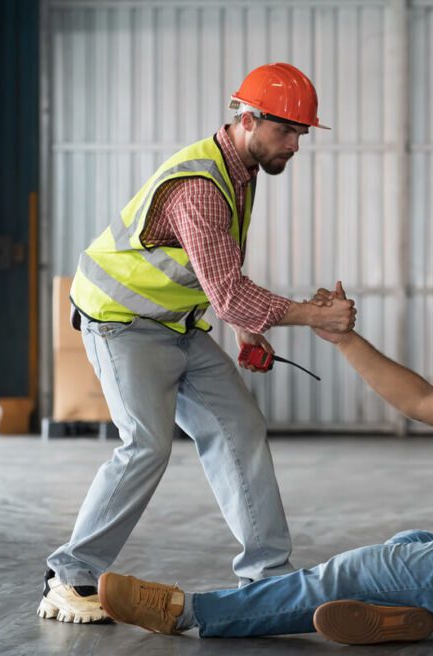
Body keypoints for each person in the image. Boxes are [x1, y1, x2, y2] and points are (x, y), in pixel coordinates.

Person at [94, 302, 433, 645]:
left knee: (366, 567)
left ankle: (188, 612)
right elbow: (417, 399)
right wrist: (343, 339)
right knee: (408, 546)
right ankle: (399, 618)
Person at [38, 63, 356, 624]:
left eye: (302, 135)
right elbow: (231, 293)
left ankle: (269, 577)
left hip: (176, 324)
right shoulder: (201, 186)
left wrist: (246, 329)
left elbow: (220, 276)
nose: (295, 146)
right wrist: (316, 316)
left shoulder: (243, 171)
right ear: (249, 119)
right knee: (146, 444)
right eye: (286, 132)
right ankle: (69, 576)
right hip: (120, 321)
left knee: (240, 426)